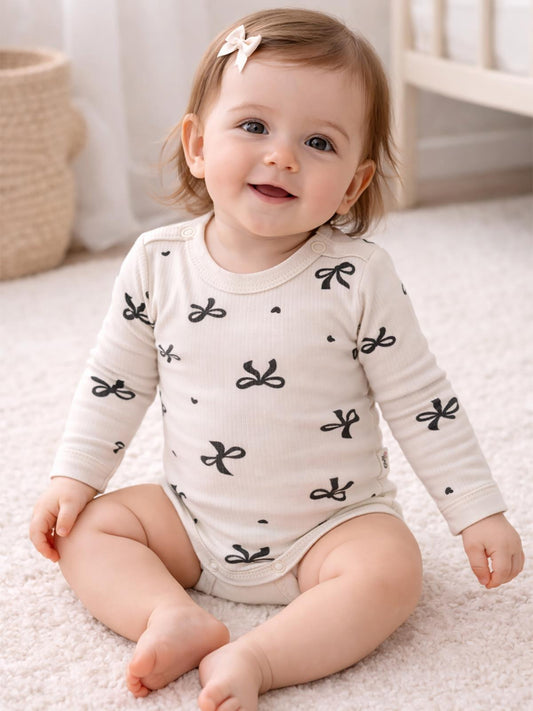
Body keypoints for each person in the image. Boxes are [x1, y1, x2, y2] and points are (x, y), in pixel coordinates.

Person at [29, 8, 524, 710]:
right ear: (198, 146)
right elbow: (115, 382)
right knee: (88, 532)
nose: (282, 156)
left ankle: (260, 656)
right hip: (190, 519)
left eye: (318, 142)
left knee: (392, 569)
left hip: (330, 528)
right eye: (254, 126)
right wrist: (74, 476)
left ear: (352, 185)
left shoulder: (357, 279)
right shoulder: (157, 263)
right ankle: (168, 614)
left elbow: (422, 403)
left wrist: (476, 511)